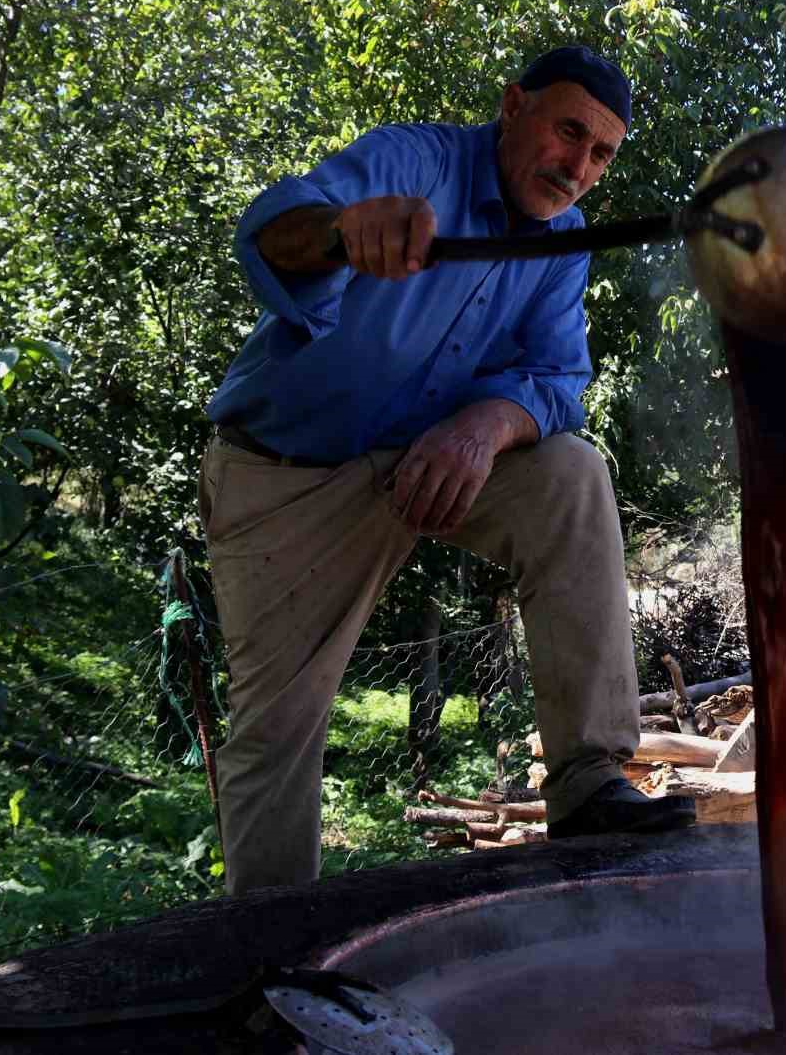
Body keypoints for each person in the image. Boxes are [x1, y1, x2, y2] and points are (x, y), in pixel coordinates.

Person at [200, 46, 696, 895]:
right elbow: (269, 231)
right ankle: (271, 961)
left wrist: (485, 425)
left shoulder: (565, 241)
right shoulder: (414, 161)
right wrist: (336, 234)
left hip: (427, 464)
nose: (578, 168)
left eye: (601, 155)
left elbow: (557, 381)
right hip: (285, 476)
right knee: (275, 736)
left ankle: (585, 781)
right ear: (512, 107)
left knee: (570, 474)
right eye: (567, 132)